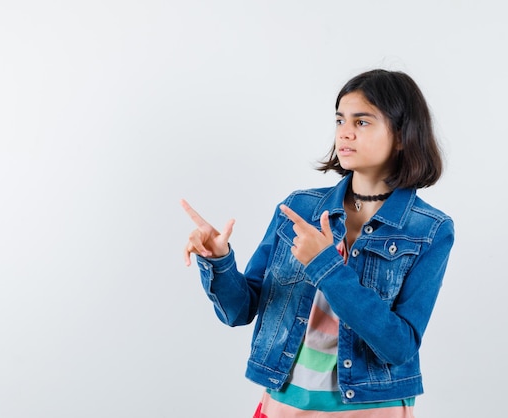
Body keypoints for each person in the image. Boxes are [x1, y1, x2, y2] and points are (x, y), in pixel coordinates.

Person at [181, 69, 455, 417]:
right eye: (340, 120)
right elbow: (240, 310)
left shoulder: (430, 229)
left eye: (362, 122)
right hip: (284, 406)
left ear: (401, 136)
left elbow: (399, 346)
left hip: (371, 409)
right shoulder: (300, 208)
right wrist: (218, 261)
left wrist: (326, 266)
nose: (345, 132)